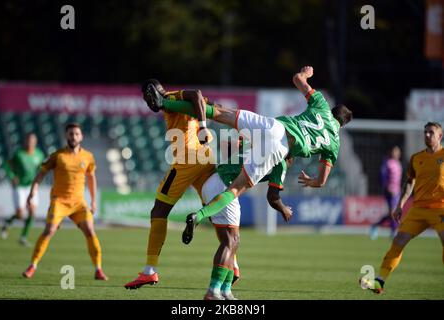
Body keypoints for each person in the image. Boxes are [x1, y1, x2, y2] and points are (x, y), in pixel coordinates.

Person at [144, 66, 353, 244]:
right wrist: (312, 181)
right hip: (280, 148)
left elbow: (297, 79)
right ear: (342, 125)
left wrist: (306, 73)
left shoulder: (322, 105)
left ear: (333, 111)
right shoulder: (334, 144)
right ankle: (200, 215)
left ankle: (165, 103)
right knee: (235, 190)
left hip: (273, 125)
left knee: (218, 112)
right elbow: (322, 181)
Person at [124, 80, 243, 289]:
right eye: (145, 99)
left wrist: (204, 126)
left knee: (158, 211)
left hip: (187, 160)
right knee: (217, 213)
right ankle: (232, 265)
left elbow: (196, 93)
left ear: (155, 91)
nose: (148, 102)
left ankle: (149, 272)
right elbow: (205, 102)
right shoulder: (173, 104)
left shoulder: (170, 97)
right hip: (205, 158)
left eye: (147, 96)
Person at [201, 139, 293, 300]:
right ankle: (213, 291)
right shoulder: (281, 162)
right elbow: (273, 197)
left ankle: (225, 291)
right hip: (225, 186)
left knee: (231, 242)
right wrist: (284, 209)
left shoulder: (260, 145)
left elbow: (232, 143)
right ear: (290, 157)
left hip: (211, 182)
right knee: (231, 241)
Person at [361, 122, 444, 294]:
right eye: (425, 132)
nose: (427, 135)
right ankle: (379, 282)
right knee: (398, 241)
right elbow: (409, 182)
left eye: (431, 133)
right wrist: (400, 205)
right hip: (419, 209)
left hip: (440, 208)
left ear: (440, 136)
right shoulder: (416, 158)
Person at [22, 123, 108, 280]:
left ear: (81, 136)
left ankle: (98, 269)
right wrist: (33, 191)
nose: (73, 136)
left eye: (76, 134)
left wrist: (93, 201)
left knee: (90, 230)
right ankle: (32, 266)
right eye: (70, 134)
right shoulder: (57, 155)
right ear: (66, 136)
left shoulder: (88, 157)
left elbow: (91, 178)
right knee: (49, 231)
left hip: (78, 203)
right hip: (59, 201)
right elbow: (41, 174)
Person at [0, 133, 45, 246]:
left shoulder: (39, 154)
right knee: (20, 214)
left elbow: (42, 168)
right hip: (19, 186)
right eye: (29, 140)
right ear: (25, 141)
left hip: (31, 186)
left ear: (35, 142)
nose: (30, 142)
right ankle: (7, 222)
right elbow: (6, 164)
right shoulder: (18, 154)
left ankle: (23, 237)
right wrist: (11, 176)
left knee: (32, 212)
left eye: (33, 140)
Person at [370, 146, 403, 240]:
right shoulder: (388, 163)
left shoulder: (398, 164)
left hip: (397, 192)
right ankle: (393, 232)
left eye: (398, 151)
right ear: (391, 152)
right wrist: (387, 187)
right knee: (393, 212)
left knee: (392, 213)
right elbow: (383, 177)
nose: (397, 153)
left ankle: (375, 226)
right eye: (395, 151)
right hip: (389, 191)